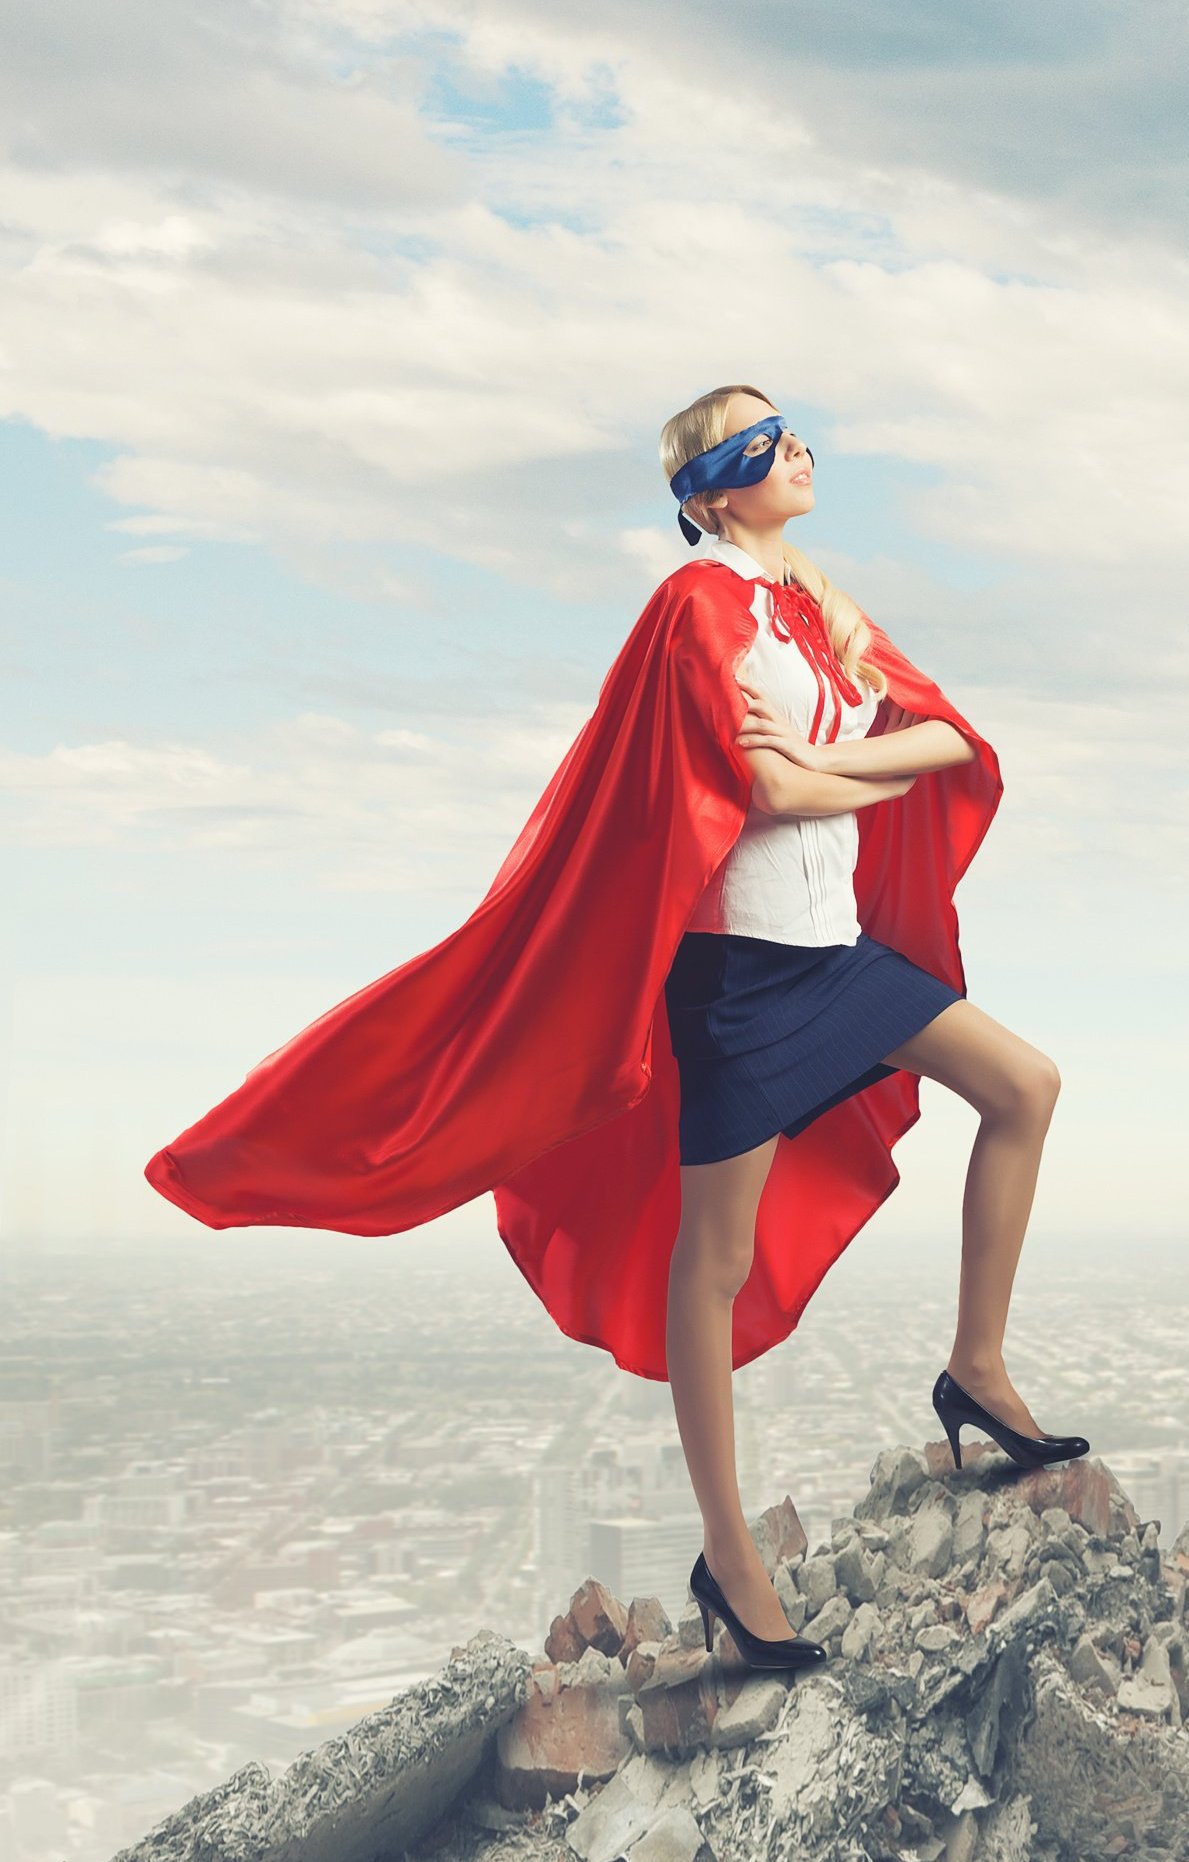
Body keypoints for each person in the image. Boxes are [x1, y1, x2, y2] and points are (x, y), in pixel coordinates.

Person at [148, 382, 1079, 1673]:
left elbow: (940, 744)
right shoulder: (696, 605)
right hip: (741, 975)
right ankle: (729, 1559)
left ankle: (976, 1368)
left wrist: (858, 769)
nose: (798, 447)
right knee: (712, 1261)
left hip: (839, 954)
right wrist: (854, 769)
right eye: (765, 440)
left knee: (1024, 1086)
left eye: (795, 426)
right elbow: (760, 786)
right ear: (709, 492)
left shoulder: (812, 610)